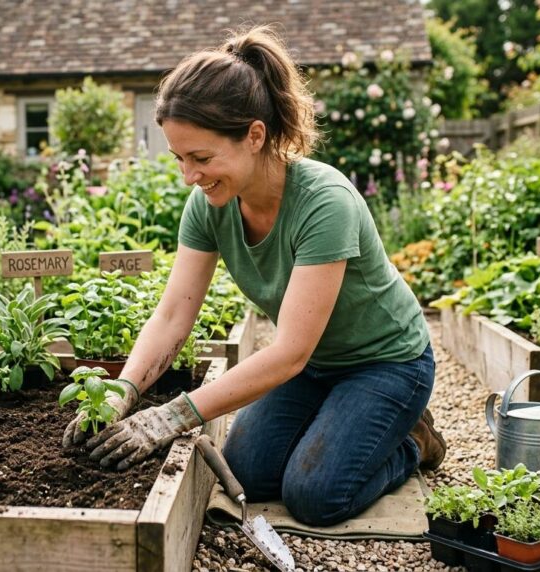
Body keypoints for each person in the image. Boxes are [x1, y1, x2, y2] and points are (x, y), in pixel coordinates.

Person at [62, 25, 446, 526]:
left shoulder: (324, 202)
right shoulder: (208, 206)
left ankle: (412, 440)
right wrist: (123, 392)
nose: (189, 177)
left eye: (201, 158)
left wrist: (172, 416)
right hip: (314, 368)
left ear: (255, 135)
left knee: (315, 495)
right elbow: (175, 313)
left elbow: (289, 351)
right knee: (246, 472)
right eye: (180, 158)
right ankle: (342, 421)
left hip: (386, 363)